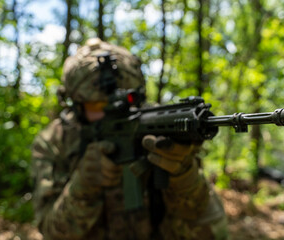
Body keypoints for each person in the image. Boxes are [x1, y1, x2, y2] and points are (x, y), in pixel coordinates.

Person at [31, 38, 228, 240]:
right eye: (98, 106)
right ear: (77, 105)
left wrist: (184, 175)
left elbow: (208, 224)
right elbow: (51, 231)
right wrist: (83, 186)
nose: (114, 111)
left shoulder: (158, 126)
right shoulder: (53, 141)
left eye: (127, 101)